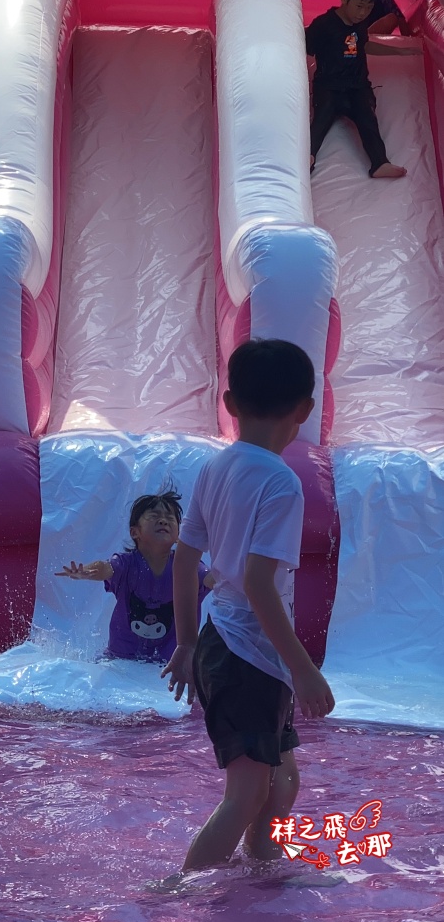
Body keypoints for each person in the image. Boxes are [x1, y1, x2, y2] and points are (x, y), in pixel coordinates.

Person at [162, 339, 335, 873]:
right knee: (246, 792)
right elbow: (260, 584)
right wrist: (305, 671)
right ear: (306, 411)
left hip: (228, 645)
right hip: (248, 657)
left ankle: (264, 865)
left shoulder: (218, 467)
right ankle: (177, 891)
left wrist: (189, 640)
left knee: (282, 781)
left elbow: (187, 556)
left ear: (230, 403)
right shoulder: (281, 483)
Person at [56, 490, 213, 664]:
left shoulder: (186, 566)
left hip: (168, 663)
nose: (163, 520)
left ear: (179, 536)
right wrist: (86, 571)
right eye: (154, 516)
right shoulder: (127, 564)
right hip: (121, 658)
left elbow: (212, 579)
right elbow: (105, 568)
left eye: (170, 518)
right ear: (134, 532)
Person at [306, 0, 421, 179]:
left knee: (367, 117)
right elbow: (304, 48)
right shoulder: (323, 25)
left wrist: (400, 51)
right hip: (328, 84)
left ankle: (380, 163)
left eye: (368, 8)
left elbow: (364, 45)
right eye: (359, 6)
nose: (362, 13)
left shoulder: (360, 25)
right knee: (321, 117)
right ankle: (308, 155)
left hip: (357, 85)